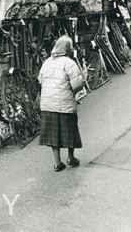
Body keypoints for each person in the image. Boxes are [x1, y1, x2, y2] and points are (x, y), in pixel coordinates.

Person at [38, 36, 86, 172]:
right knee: (70, 131)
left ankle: (57, 162)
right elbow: (77, 85)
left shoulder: (47, 62)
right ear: (68, 49)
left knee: (54, 134)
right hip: (65, 104)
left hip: (48, 104)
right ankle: (71, 157)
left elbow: (40, 80)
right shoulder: (69, 63)